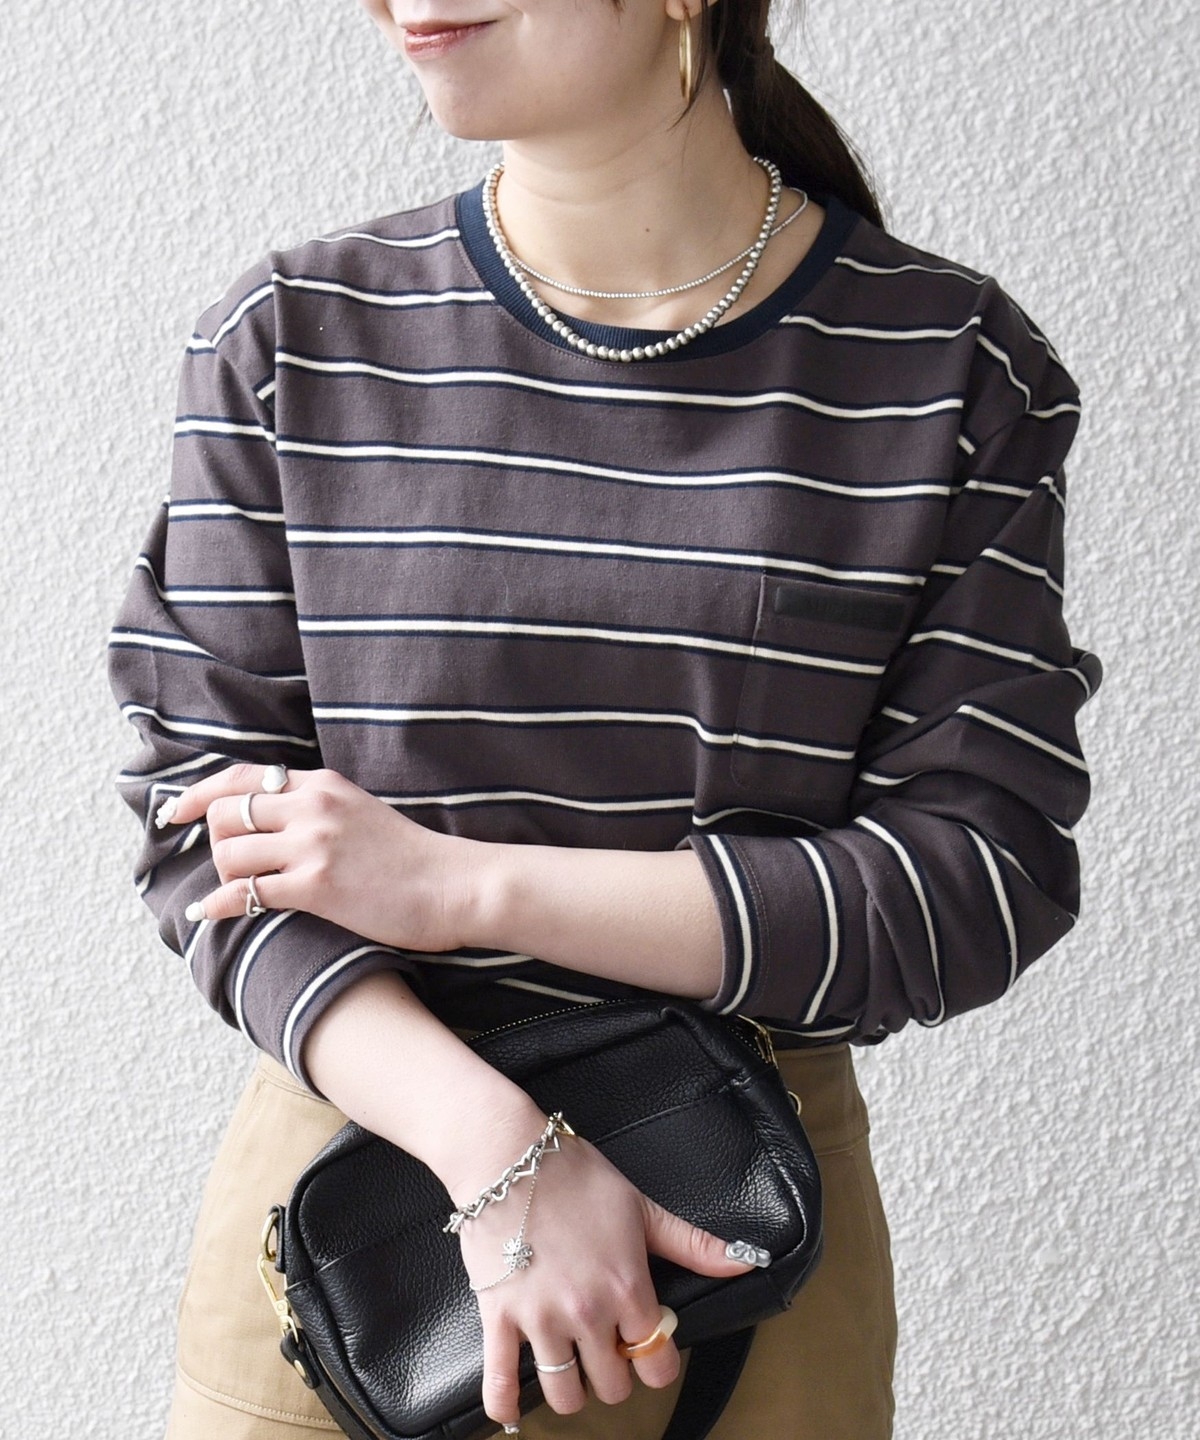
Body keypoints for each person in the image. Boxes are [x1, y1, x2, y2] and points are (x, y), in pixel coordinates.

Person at [108, 1, 1100, 1436]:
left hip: (753, 1247)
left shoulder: (947, 366)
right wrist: (499, 1151)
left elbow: (978, 880)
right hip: (371, 1242)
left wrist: (461, 886)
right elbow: (205, 836)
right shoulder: (290, 341)